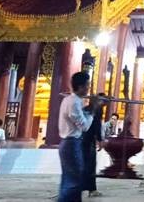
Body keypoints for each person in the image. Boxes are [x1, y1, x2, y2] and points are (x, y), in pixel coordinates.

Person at [58, 71, 100, 202]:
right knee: (74, 182)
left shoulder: (70, 100)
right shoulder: (74, 102)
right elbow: (85, 126)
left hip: (69, 144)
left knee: (69, 180)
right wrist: (93, 109)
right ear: (81, 87)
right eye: (87, 85)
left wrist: (89, 107)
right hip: (71, 144)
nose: (88, 88)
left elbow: (80, 116)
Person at [81, 93, 105, 197]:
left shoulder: (85, 109)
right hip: (89, 140)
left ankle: (81, 187)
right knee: (90, 165)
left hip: (81, 139)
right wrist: (100, 140)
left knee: (83, 164)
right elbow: (97, 125)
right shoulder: (97, 110)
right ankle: (91, 189)